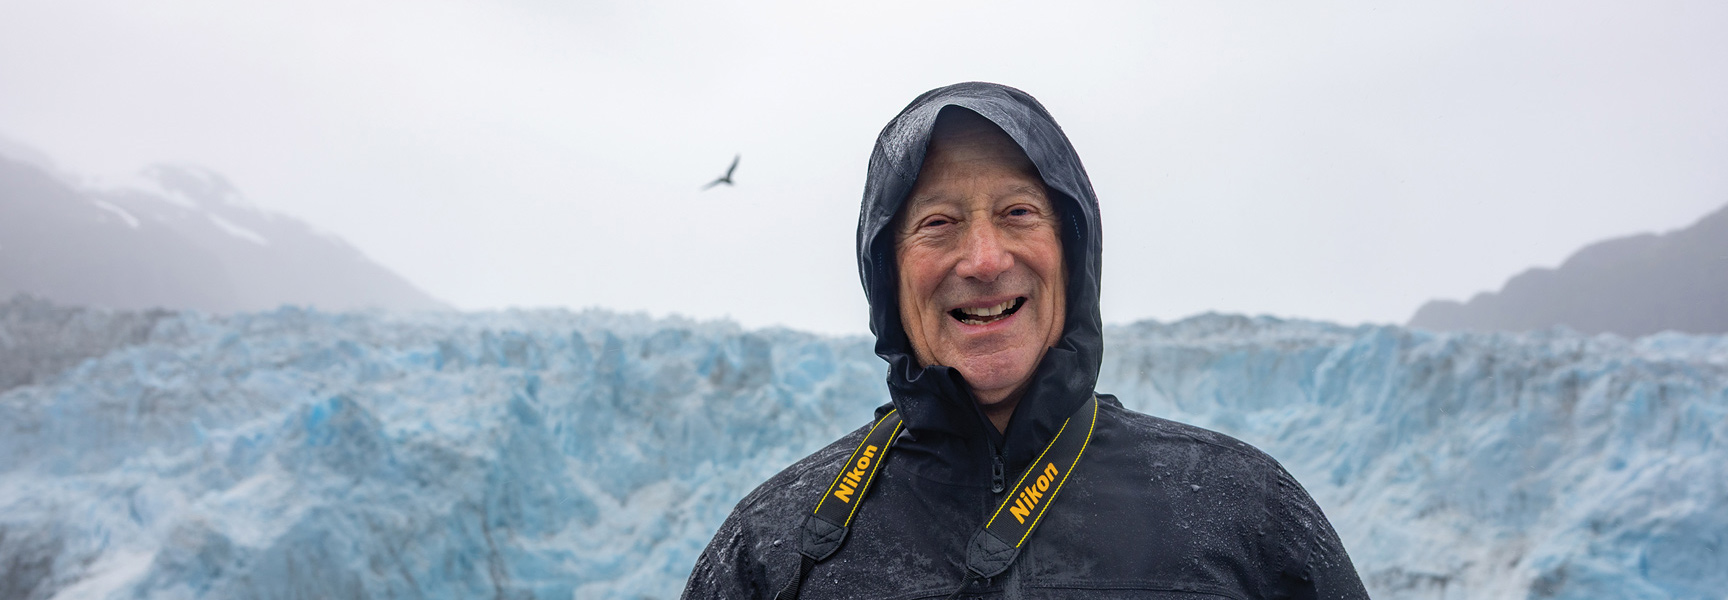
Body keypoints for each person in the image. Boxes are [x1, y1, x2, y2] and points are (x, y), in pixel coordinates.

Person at [683, 82, 1369, 599]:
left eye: (1018, 213)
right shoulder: (770, 547)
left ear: (1072, 252)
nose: (983, 259)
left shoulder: (1241, 511)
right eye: (938, 223)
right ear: (887, 275)